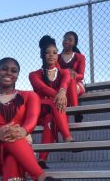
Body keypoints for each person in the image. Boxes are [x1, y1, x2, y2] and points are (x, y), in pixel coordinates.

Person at [29, 35, 75, 168]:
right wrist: (60, 95)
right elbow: (42, 88)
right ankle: (67, 137)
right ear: (42, 55)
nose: (51, 55)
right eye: (47, 53)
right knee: (54, 105)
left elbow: (66, 82)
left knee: (50, 120)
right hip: (41, 107)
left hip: (54, 109)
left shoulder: (64, 72)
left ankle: (42, 159)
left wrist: (62, 92)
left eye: (55, 53)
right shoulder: (34, 74)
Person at [58, 31, 86, 122]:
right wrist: (66, 72)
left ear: (74, 43)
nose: (66, 41)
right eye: (65, 38)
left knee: (71, 80)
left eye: (70, 40)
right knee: (68, 79)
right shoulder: (57, 57)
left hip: (77, 85)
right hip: (62, 86)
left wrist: (73, 75)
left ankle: (75, 111)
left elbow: (81, 76)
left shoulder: (80, 57)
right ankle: (76, 111)